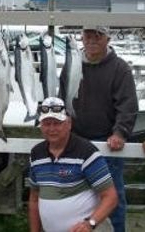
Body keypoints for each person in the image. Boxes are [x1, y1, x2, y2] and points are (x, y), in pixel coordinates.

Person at [59, 26, 138, 232]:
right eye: (88, 34)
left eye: (98, 35)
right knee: (74, 196)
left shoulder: (120, 68)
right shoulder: (71, 64)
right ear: (81, 37)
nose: (92, 39)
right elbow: (61, 99)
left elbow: (128, 106)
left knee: (114, 197)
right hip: (75, 142)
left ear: (108, 38)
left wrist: (120, 132)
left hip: (107, 145)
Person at [29, 97, 118, 232]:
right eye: (47, 123)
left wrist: (90, 224)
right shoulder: (36, 154)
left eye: (57, 123)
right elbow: (34, 199)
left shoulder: (86, 152)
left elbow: (111, 197)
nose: (51, 128)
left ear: (69, 124)